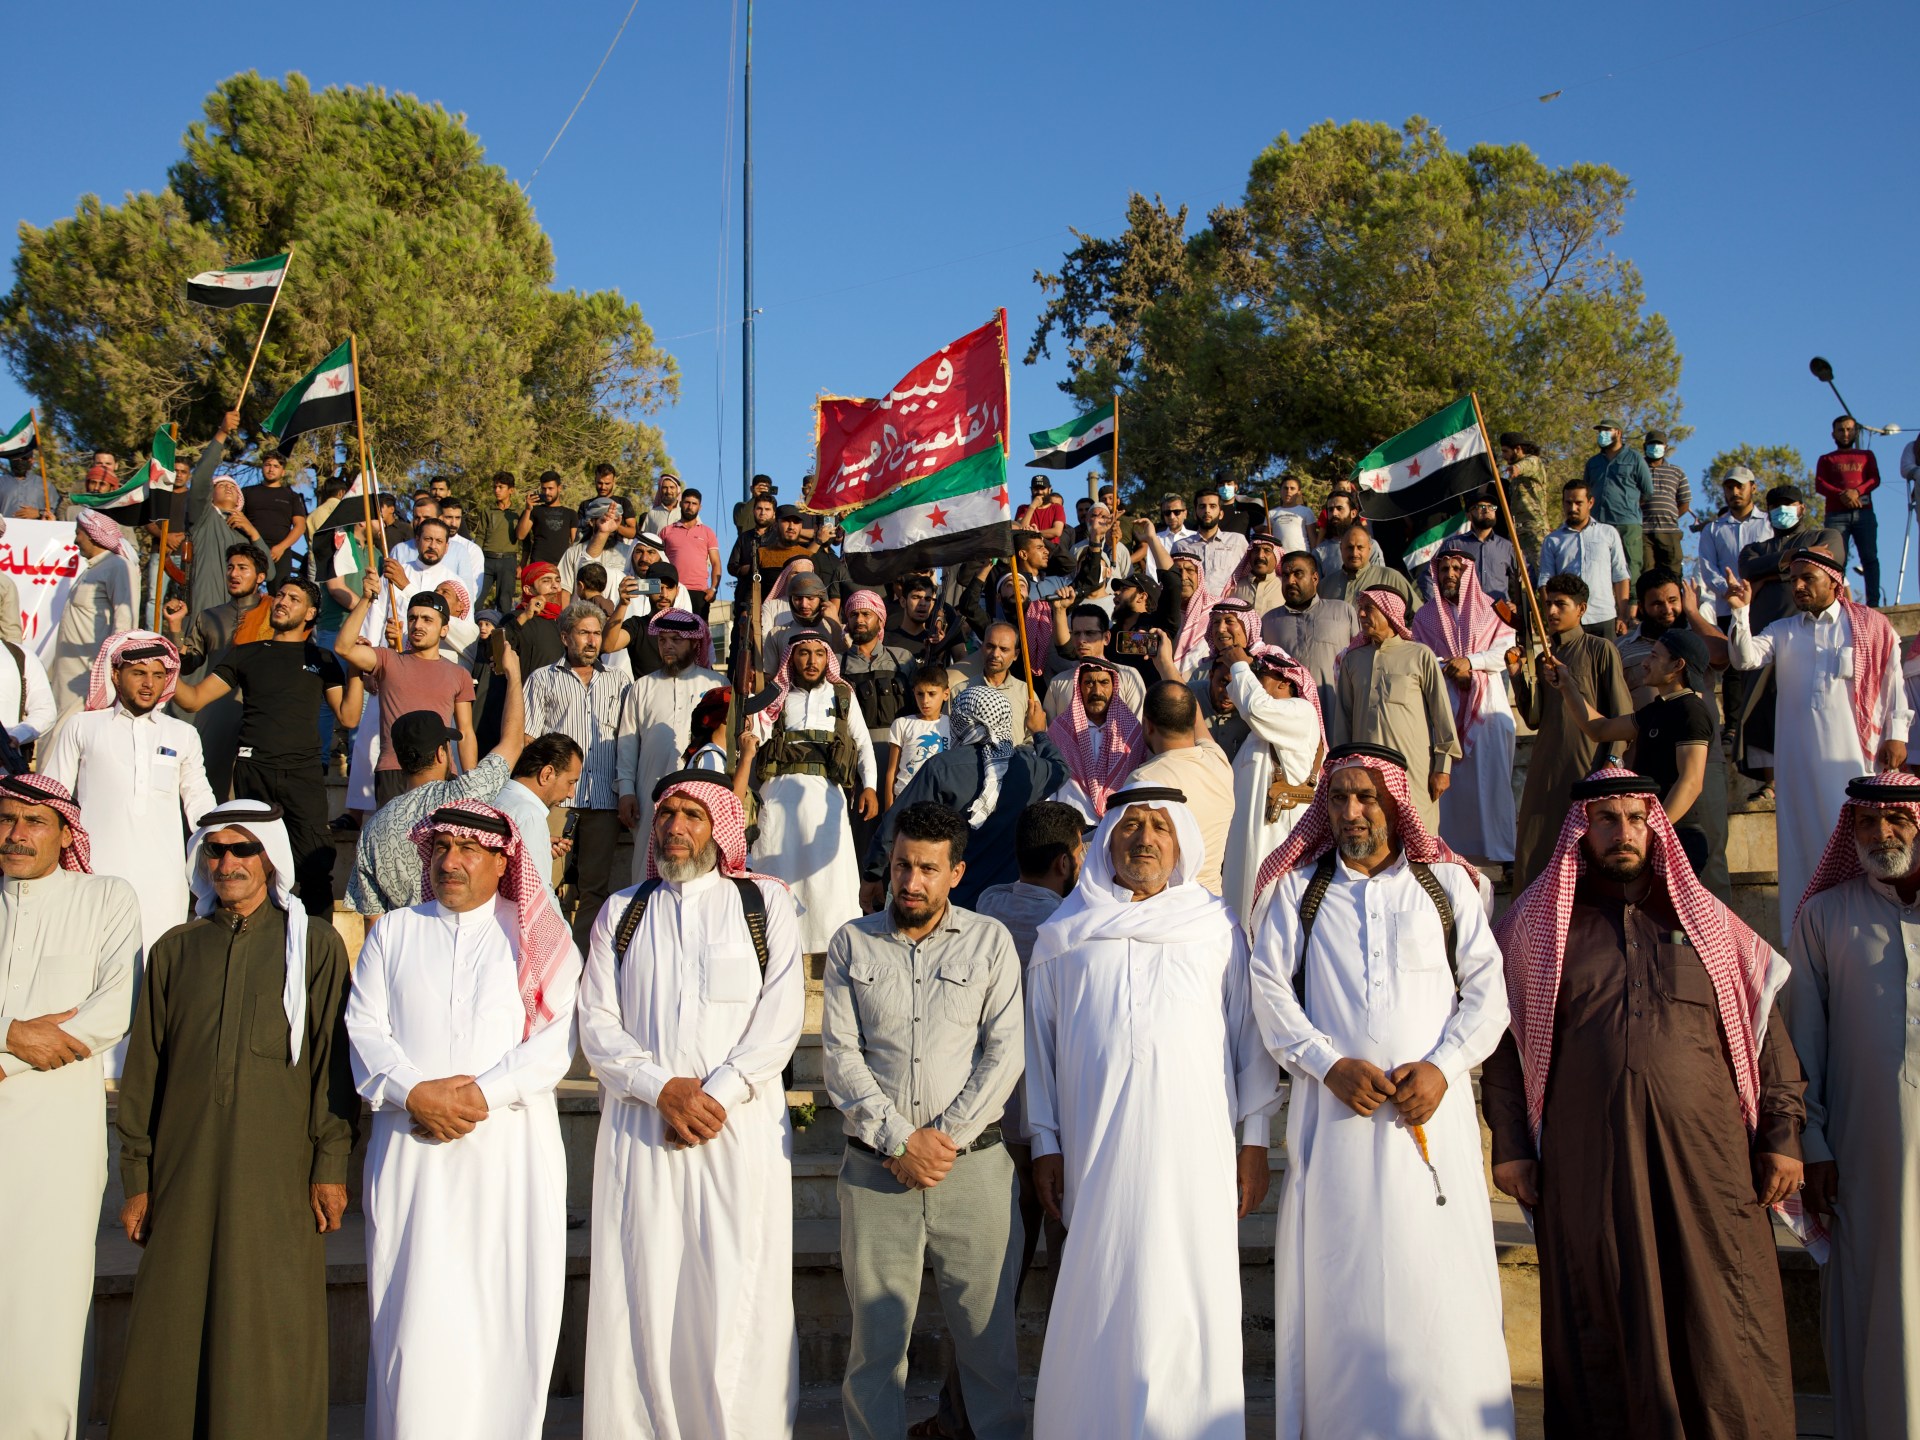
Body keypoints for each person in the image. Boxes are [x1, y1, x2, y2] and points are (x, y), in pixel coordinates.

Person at [1483, 771, 1806, 1439]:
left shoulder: (1708, 922)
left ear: (1655, 825)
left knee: (1721, 1313)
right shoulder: (1535, 931)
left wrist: (1781, 1132)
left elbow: (1763, 1029)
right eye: (1607, 819)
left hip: (1711, 1166)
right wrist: (1511, 1144)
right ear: (1583, 831)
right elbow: (1503, 1046)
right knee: (1603, 1307)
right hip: (1588, 1163)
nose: (1623, 832)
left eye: (1635, 818)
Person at [1249, 745, 1515, 1439]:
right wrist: (1327, 1063)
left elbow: (1488, 996)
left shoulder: (1446, 888)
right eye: (1338, 799)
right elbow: (1270, 994)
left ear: (1396, 802)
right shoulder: (1297, 891)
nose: (1351, 811)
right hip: (1333, 1121)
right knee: (1342, 1281)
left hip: (1435, 1120)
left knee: (1441, 1279)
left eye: (1367, 797)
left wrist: (1443, 1065)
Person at [1026, 786, 1279, 1437]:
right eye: (1131, 826)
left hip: (1195, 1153)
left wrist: (1254, 1141)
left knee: (1189, 1289)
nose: (1144, 839)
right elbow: (1041, 1048)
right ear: (1106, 839)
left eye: (1160, 828)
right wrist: (1045, 1141)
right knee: (1101, 1286)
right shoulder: (1063, 936)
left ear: (1182, 844)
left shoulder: (1216, 928)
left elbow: (1249, 1040)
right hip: (1095, 1148)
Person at [108, 801, 358, 1440]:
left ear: (269, 857)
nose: (227, 863)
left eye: (242, 849)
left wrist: (330, 1165)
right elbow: (144, 1076)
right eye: (215, 851)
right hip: (182, 1173)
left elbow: (332, 1068)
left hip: (277, 1174)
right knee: (173, 1319)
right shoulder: (175, 950)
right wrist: (135, 1176)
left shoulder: (315, 947)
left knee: (268, 1319)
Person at [345, 800, 584, 1439]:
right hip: (410, 1154)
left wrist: (481, 1094)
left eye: (468, 849)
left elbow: (559, 1038)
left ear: (503, 858)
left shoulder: (535, 933)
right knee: (413, 1314)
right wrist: (414, 1093)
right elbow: (363, 1029)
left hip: (507, 1155)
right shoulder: (395, 931)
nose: (451, 862)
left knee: (503, 1311)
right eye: (442, 849)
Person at [578, 772, 805, 1437]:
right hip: (644, 1129)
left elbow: (781, 1018)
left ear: (720, 829)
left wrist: (714, 1095)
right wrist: (662, 1089)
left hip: (739, 1133)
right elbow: (596, 1021)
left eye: (691, 814)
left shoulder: (764, 905)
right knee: (642, 1286)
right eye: (666, 814)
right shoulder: (623, 911)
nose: (674, 826)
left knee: (742, 1287)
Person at [822, 803, 1026, 1440]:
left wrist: (941, 1143)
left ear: (956, 872)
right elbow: (840, 1057)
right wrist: (899, 1139)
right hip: (876, 1172)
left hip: (975, 1173)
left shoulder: (990, 942)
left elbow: (1004, 1052)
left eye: (928, 869)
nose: (910, 881)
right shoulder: (851, 943)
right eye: (902, 865)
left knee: (989, 1349)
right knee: (876, 1350)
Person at [0, 774, 140, 1440]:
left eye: (34, 821)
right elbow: (36, 1034)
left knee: (45, 1304)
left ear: (65, 833)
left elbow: (112, 1010)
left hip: (55, 1139)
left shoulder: (105, 899)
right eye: (6, 819)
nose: (16, 833)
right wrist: (14, 1034)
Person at [1789, 772, 1920, 1437]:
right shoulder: (1823, 916)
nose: (1881, 835)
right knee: (1882, 1301)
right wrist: (1812, 1146)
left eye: (1897, 820)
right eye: (1867, 823)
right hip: (1867, 1158)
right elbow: (1802, 1045)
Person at [1726, 547, 1909, 935]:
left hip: (1854, 761)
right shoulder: (1784, 630)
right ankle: (1808, 935)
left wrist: (1897, 733)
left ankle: (1870, 926)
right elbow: (1744, 659)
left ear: (1834, 581)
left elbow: (1893, 683)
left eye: (1808, 578)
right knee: (1802, 847)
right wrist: (1741, 611)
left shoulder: (1872, 627)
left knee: (1858, 839)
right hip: (1798, 767)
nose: (1799, 586)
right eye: (1794, 579)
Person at [41, 633, 215, 1020]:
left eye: (157, 673)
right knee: (92, 971)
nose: (149, 682)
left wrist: (221, 837)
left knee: (156, 970)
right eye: (138, 672)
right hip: (94, 875)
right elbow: (53, 800)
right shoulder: (82, 727)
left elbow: (201, 802)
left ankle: (140, 1071)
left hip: (162, 879)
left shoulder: (182, 734)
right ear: (116, 674)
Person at [169, 578, 357, 916]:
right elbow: (193, 699)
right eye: (280, 595)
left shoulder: (322, 658)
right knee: (251, 863)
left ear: (311, 613)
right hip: (254, 771)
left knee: (315, 868)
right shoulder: (245, 654)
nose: (282, 601)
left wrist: (356, 670)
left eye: (293, 598)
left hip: (303, 774)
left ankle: (318, 952)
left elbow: (348, 716)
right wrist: (171, 639)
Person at [347, 639, 528, 917]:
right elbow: (512, 743)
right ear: (443, 754)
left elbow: (373, 920)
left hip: (402, 950)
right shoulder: (462, 797)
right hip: (457, 939)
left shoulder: (373, 829)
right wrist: (514, 675)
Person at [863, 685, 1065, 909]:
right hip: (1004, 904)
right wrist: (1039, 733)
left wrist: (873, 873)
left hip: (951, 902)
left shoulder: (943, 767)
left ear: (961, 721)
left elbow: (897, 822)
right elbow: (1060, 769)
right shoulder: (1030, 768)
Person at [743, 631, 877, 954]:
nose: (812, 661)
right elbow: (755, 736)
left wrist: (869, 785)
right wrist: (748, 697)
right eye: (804, 653)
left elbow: (862, 744)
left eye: (819, 653)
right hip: (777, 796)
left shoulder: (842, 695)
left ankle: (828, 946)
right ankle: (776, 943)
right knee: (777, 870)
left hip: (825, 797)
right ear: (793, 657)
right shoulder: (776, 695)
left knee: (827, 879)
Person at [1507, 572, 1633, 891]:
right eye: (1548, 604)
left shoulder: (1599, 649)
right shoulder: (1546, 657)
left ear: (1581, 609)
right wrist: (1517, 675)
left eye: (1560, 605)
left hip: (1587, 768)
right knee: (1535, 852)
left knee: (1588, 857)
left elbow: (1621, 713)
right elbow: (1534, 718)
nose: (1550, 612)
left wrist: (1613, 762)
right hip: (1546, 769)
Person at [523, 601, 631, 950]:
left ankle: (581, 959)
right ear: (565, 637)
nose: (592, 640)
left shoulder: (620, 681)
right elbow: (527, 737)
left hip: (603, 799)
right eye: (584, 632)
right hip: (554, 801)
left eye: (597, 633)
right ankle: (541, 953)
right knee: (541, 879)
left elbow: (629, 736)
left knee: (595, 889)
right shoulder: (542, 678)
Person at [1412, 545, 1518, 863]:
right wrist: (1448, 666)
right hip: (1444, 706)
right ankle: (1452, 853)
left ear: (1468, 572)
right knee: (1453, 790)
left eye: (1456, 569)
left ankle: (1502, 854)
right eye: (1443, 570)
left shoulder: (1493, 608)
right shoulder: (1426, 615)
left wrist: (1470, 662)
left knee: (1493, 784)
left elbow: (1508, 650)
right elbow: (1419, 655)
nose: (1450, 575)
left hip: (1488, 709)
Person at [337, 577, 478, 806]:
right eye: (412, 618)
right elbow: (343, 647)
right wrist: (365, 599)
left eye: (426, 619)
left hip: (441, 771)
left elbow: (466, 732)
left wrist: (472, 782)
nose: (417, 625)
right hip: (395, 769)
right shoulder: (386, 659)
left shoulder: (459, 674)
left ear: (444, 630)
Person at [1329, 588, 1459, 834]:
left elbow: (1442, 715)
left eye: (1370, 608)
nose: (1362, 614)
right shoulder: (1352, 660)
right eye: (1361, 608)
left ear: (1390, 612)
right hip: (1365, 770)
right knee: (1373, 833)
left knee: (1419, 833)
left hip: (1414, 769)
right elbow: (1343, 720)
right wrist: (1341, 768)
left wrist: (1442, 767)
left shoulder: (1420, 655)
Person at [614, 609, 726, 879]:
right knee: (647, 866)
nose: (668, 646)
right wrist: (626, 790)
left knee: (698, 862)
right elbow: (627, 743)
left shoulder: (716, 684)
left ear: (694, 643)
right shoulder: (642, 687)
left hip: (702, 795)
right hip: (649, 792)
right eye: (663, 640)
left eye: (676, 639)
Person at [168, 541, 271, 797]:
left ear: (260, 577)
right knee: (208, 786)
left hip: (259, 710)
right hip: (215, 712)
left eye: (243, 568)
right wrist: (174, 627)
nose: (234, 574)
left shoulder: (274, 615)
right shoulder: (208, 617)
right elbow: (188, 663)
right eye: (230, 567)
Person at [1124, 678, 1234, 895]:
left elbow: (1120, 850)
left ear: (1146, 725)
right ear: (1193, 720)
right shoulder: (1219, 761)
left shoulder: (1143, 780)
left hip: (1167, 906)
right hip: (1211, 903)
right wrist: (1166, 664)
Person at [50, 507, 140, 714]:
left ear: (92, 535)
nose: (75, 541)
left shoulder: (118, 566)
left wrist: (111, 668)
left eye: (77, 534)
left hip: (88, 675)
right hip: (67, 673)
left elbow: (125, 621)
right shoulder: (93, 568)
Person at [1260, 551, 1358, 718]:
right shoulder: (1269, 622)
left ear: (1315, 578)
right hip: (1290, 718)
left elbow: (1358, 662)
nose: (1290, 581)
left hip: (1336, 714)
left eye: (1298, 574)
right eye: (1285, 575)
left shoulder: (1342, 612)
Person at [1048, 657, 1144, 821]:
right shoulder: (1060, 730)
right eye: (1089, 683)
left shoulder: (1132, 732)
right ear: (1080, 687)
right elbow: (1050, 784)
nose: (1097, 691)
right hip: (1071, 823)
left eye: (1104, 682)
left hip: (1117, 821)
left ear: (1114, 687)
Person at [1536, 479, 1632, 637]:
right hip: (1569, 619)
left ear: (1591, 502)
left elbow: (1620, 575)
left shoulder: (1608, 533)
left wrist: (1622, 615)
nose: (1572, 508)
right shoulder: (1552, 540)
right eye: (1568, 503)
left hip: (1604, 617)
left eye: (1578, 503)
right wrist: (1551, 617)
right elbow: (1545, 581)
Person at [1815, 413, 1883, 606]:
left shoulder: (1866, 456)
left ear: (1855, 432)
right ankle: (1837, 601)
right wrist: (1843, 494)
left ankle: (1873, 603)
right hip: (1836, 515)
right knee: (1836, 560)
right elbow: (1820, 484)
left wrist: (1856, 491)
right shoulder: (1826, 459)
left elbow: (1874, 479)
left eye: (1849, 429)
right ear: (1833, 434)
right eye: (1841, 430)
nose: (1845, 433)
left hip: (1864, 512)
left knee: (1870, 557)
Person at [1041, 603, 1148, 716]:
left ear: (1106, 638)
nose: (1081, 640)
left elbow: (1137, 728)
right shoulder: (1058, 683)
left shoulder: (1128, 676)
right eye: (1077, 633)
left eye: (1089, 633)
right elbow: (1051, 730)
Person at [1582, 417, 1655, 579]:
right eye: (1600, 431)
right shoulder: (1593, 462)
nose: (1602, 434)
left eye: (1607, 431)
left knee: (1631, 567)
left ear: (1619, 433)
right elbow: (1585, 492)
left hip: (1627, 524)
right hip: (1599, 523)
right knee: (1599, 567)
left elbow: (1648, 491)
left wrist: (1629, 505)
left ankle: (1632, 602)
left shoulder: (1635, 458)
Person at [883, 667, 950, 809]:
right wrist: (888, 807)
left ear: (945, 694)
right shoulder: (902, 723)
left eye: (932, 694)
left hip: (939, 801)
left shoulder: (953, 726)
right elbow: (892, 770)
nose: (925, 700)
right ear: (913, 693)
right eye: (920, 694)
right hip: (905, 799)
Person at [241, 446, 308, 583]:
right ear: (262, 468)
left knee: (279, 592)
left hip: (280, 552)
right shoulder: (247, 492)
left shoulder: (291, 496)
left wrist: (281, 548)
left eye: (276, 466)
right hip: (250, 549)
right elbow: (237, 519)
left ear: (283, 472)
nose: (271, 469)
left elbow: (300, 526)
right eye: (268, 465)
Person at [1323, 521, 1420, 613]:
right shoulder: (1325, 585)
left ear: (1369, 549)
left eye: (1360, 547)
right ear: (1341, 548)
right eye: (1350, 547)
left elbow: (1420, 615)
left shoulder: (1390, 578)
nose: (1354, 553)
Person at [1639, 428, 1692, 576]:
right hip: (1643, 531)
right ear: (1645, 447)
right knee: (1646, 573)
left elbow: (1684, 502)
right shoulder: (1636, 470)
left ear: (1666, 447)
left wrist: (1671, 516)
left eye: (1659, 443)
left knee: (1672, 573)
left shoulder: (1677, 472)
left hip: (1669, 531)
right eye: (1651, 443)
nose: (1655, 447)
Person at [517, 470, 576, 567]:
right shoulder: (534, 510)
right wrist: (527, 509)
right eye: (544, 489)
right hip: (538, 564)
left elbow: (575, 543)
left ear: (559, 488)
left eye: (550, 488)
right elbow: (520, 535)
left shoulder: (570, 513)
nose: (547, 492)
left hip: (562, 565)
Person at [1017, 476, 1066, 543]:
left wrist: (1036, 534)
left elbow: (1057, 531)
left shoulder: (1057, 508)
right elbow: (1021, 529)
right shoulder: (1023, 508)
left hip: (1051, 549)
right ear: (1031, 490)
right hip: (1030, 550)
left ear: (1049, 489)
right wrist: (1032, 507)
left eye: (1043, 488)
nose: (1039, 492)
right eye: (1036, 488)